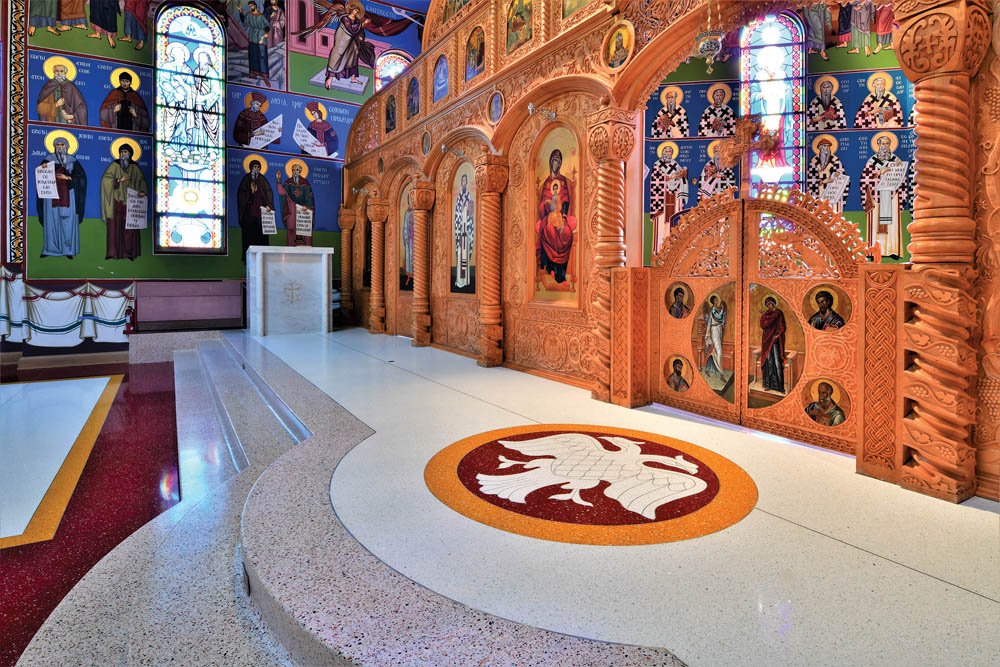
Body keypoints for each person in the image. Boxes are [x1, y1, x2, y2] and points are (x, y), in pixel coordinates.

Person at [37, 135, 87, 258]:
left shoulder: (72, 161)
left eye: (62, 145)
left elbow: (81, 178)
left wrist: (68, 177)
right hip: (51, 197)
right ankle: (50, 249)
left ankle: (68, 250)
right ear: (54, 147)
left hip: (68, 196)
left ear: (67, 147)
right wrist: (43, 169)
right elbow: (41, 176)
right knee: (52, 222)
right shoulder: (48, 160)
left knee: (67, 222)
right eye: (57, 145)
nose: (59, 147)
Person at [861, 134, 909, 258]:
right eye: (883, 144)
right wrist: (879, 172)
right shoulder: (872, 161)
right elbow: (865, 179)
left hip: (891, 197)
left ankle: (893, 250)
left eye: (887, 144)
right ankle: (873, 251)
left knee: (892, 226)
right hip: (876, 197)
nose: (885, 146)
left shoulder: (896, 161)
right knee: (875, 225)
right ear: (878, 145)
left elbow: (902, 180)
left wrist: (901, 197)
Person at [100, 143, 148, 260]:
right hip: (117, 202)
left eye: (125, 152)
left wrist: (142, 191)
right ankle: (114, 253)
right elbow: (105, 180)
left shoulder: (134, 167)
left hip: (131, 203)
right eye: (121, 152)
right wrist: (118, 180)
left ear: (130, 154)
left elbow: (141, 181)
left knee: (130, 229)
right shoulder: (114, 165)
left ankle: (129, 253)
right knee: (115, 227)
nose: (123, 154)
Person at [535, 149, 576, 285]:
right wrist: (546, 204)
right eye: (554, 162)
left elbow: (566, 200)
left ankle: (561, 273)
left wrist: (563, 217)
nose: (555, 165)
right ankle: (551, 268)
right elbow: (542, 204)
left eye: (558, 162)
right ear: (550, 163)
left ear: (560, 164)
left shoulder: (563, 181)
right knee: (549, 231)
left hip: (560, 217)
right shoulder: (547, 183)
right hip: (548, 218)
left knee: (567, 234)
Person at [650, 144, 688, 247]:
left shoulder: (675, 164)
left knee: (674, 222)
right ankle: (659, 247)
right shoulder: (657, 164)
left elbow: (681, 176)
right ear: (662, 153)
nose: (668, 154)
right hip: (661, 199)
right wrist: (671, 177)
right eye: (666, 151)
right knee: (661, 226)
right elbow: (657, 178)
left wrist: (682, 174)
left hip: (673, 198)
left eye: (670, 152)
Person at [326, 0, 371, 88]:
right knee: (337, 57)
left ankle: (353, 78)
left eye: (357, 11)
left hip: (353, 42)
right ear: (351, 10)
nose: (356, 12)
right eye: (355, 10)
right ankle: (329, 78)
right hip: (343, 42)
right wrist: (363, 24)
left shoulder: (357, 21)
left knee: (353, 58)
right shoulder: (345, 18)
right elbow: (350, 29)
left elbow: (359, 30)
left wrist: (360, 36)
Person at [236, 159, 274, 261]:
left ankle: (263, 259)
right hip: (249, 214)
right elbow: (241, 194)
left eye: (258, 167)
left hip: (261, 215)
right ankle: (248, 259)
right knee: (249, 236)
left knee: (262, 237)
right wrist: (250, 192)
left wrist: (269, 205)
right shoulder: (246, 179)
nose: (256, 169)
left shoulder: (262, 179)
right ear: (251, 168)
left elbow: (268, 192)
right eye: (254, 167)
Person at [277, 162, 314, 246]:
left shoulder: (305, 183)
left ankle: (307, 248)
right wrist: (278, 181)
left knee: (305, 230)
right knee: (291, 229)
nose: (295, 171)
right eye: (293, 170)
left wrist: (307, 206)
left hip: (303, 210)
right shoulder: (288, 182)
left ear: (300, 171)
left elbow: (309, 196)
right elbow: (282, 193)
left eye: (297, 170)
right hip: (292, 209)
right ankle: (291, 247)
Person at [807, 138, 848, 211]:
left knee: (832, 209)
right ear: (820, 148)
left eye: (828, 146)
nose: (827, 148)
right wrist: (821, 182)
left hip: (831, 190)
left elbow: (841, 173)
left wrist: (838, 174)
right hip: (818, 191)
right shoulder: (814, 161)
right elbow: (810, 178)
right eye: (825, 146)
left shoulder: (835, 159)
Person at [240, 1, 272, 87]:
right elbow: (245, 22)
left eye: (251, 6)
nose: (250, 7)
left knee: (262, 55)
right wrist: (241, 12)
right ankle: (253, 73)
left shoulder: (261, 16)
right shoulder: (249, 15)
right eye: (249, 6)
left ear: (255, 6)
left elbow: (267, 25)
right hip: (253, 37)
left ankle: (264, 75)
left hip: (261, 37)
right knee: (253, 54)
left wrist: (266, 33)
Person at [759, 296, 786, 393]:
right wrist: (763, 315)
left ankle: (780, 387)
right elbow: (763, 325)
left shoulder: (779, 313)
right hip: (767, 341)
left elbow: (782, 326)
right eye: (767, 304)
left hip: (775, 341)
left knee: (777, 363)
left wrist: (777, 335)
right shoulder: (766, 314)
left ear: (774, 303)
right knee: (769, 362)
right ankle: (768, 385)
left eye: (770, 304)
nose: (769, 306)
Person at [453, 173, 475, 289]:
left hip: (467, 230)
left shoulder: (469, 197)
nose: (464, 182)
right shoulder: (459, 198)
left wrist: (467, 209)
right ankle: (460, 279)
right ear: (461, 182)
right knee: (460, 254)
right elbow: (457, 213)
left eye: (465, 180)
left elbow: (471, 213)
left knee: (465, 255)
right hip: (461, 231)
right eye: (463, 181)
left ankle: (465, 280)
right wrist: (461, 210)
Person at [703, 295, 727, 377]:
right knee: (719, 351)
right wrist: (723, 310)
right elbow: (718, 317)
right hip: (715, 330)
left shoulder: (717, 309)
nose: (717, 301)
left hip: (719, 329)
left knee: (715, 351)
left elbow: (722, 320)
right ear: (713, 302)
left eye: (717, 300)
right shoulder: (713, 310)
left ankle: (708, 368)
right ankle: (720, 372)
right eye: (716, 300)